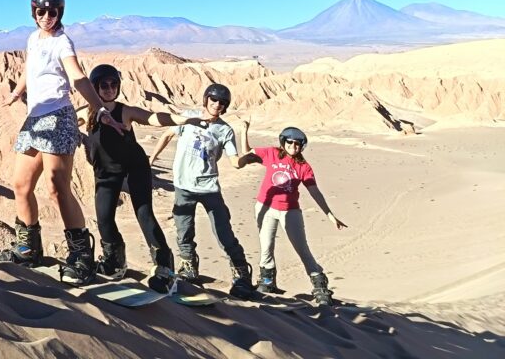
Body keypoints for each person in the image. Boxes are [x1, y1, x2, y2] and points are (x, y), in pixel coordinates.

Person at [0, 0, 116, 286]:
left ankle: (81, 256)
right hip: (35, 118)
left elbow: (77, 77)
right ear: (33, 11)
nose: (47, 17)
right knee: (20, 184)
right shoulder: (33, 39)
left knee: (57, 188)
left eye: (53, 12)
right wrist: (16, 92)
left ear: (60, 12)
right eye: (41, 11)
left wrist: (100, 108)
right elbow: (29, 68)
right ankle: (28, 247)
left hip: (59, 117)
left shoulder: (63, 42)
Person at [84, 63, 207, 292]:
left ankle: (164, 265)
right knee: (104, 218)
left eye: (114, 84)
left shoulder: (125, 111)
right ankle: (114, 261)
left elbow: (153, 118)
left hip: (135, 167)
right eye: (104, 85)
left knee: (144, 213)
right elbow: (67, 124)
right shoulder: (86, 113)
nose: (110, 89)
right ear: (94, 87)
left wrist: (183, 120)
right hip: (106, 172)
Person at [237, 125, 347, 305]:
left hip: (290, 211)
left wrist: (329, 214)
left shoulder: (303, 166)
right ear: (283, 142)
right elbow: (247, 152)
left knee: (302, 249)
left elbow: (315, 192)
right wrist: (244, 130)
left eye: (297, 144)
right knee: (266, 246)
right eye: (290, 142)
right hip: (265, 207)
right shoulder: (272, 154)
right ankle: (267, 280)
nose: (293, 146)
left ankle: (319, 283)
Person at [169, 83, 256, 296]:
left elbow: (235, 161)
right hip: (183, 186)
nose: (217, 104)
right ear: (206, 99)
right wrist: (150, 160)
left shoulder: (225, 130)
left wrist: (246, 155)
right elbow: (167, 134)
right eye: (214, 99)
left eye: (222, 102)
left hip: (209, 188)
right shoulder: (188, 117)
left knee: (223, 232)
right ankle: (188, 266)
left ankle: (241, 273)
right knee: (183, 230)